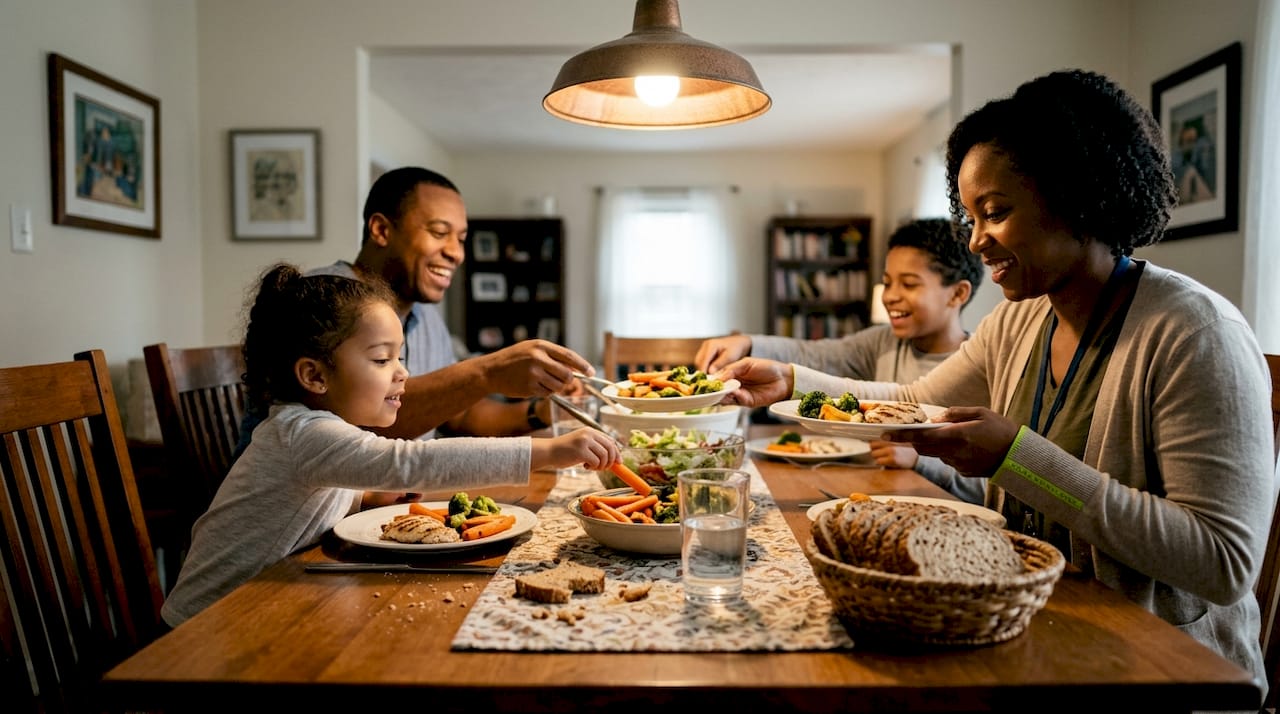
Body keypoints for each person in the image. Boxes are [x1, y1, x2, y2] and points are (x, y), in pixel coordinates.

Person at [715, 69, 1275, 687]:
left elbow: (1223, 564)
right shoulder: (1022, 320)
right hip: (1029, 630)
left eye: (997, 212)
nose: (977, 240)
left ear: (1075, 194)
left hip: (1163, 671)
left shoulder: (1195, 333)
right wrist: (792, 380)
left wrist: (1017, 457)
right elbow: (910, 404)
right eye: (971, 216)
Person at [161, 264, 619, 628]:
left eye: (399, 356)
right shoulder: (305, 433)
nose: (401, 373)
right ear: (315, 375)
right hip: (203, 629)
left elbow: (308, 497)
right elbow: (411, 461)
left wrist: (366, 496)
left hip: (257, 607)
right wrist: (550, 451)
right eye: (382, 359)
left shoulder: (318, 433)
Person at [234, 167, 589, 460]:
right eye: (439, 232)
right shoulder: (318, 303)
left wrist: (539, 412)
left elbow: (458, 414)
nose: (456, 253)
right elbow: (357, 432)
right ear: (381, 230)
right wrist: (486, 372)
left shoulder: (425, 314)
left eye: (462, 239)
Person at [694, 217, 987, 503]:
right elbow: (816, 355)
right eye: (887, 283)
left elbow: (993, 487)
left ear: (957, 294)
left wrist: (922, 460)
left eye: (909, 285)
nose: (890, 297)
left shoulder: (980, 365)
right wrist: (748, 342)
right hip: (877, 496)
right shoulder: (883, 342)